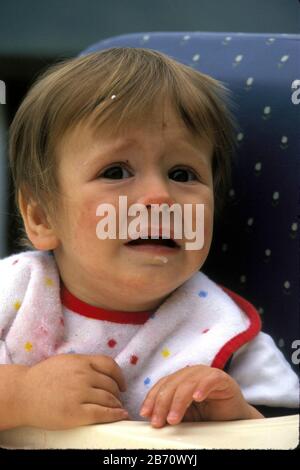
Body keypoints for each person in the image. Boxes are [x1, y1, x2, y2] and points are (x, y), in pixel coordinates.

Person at [0, 48, 298, 431]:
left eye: (182, 174)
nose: (160, 197)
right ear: (42, 216)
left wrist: (237, 416)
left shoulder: (226, 335)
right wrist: (20, 395)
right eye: (116, 171)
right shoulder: (13, 292)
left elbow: (285, 432)